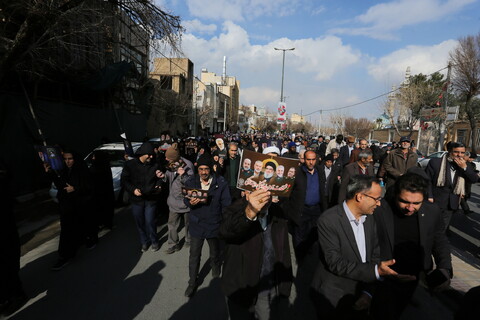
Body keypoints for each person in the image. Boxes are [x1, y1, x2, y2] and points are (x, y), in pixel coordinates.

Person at [311, 175, 410, 319]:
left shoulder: (370, 217)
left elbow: (375, 254)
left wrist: (368, 292)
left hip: (362, 295)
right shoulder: (329, 220)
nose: (379, 204)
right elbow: (335, 263)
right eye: (376, 199)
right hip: (334, 296)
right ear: (359, 197)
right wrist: (376, 271)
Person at [371, 172, 452, 319]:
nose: (410, 208)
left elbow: (439, 239)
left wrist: (445, 268)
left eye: (416, 203)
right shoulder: (378, 209)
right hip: (383, 278)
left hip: (414, 278)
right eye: (404, 201)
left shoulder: (432, 211)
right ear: (396, 195)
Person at [220, 189, 293, 320]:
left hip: (267, 283)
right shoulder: (234, 208)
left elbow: (284, 250)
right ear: (247, 192)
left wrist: (285, 285)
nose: (263, 194)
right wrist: (250, 211)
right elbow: (226, 231)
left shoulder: (277, 212)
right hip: (241, 286)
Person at [184, 154, 231, 297]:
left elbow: (226, 205)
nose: (204, 172)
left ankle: (215, 270)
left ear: (211, 169)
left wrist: (223, 222)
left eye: (206, 169)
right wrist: (189, 203)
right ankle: (192, 282)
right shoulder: (191, 182)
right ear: (198, 168)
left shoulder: (221, 183)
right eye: (201, 169)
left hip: (213, 225)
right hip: (197, 225)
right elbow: (185, 199)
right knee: (194, 255)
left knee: (215, 251)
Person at [45, 149, 94, 270]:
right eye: (65, 159)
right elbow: (59, 184)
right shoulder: (63, 171)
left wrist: (76, 188)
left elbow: (89, 187)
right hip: (67, 205)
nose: (67, 162)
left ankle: (84, 243)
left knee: (78, 227)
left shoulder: (82, 171)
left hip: (80, 204)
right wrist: (50, 172)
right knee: (67, 230)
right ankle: (65, 255)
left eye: (70, 159)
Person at [425, 142, 479, 232]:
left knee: (442, 230)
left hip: (451, 203)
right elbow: (426, 181)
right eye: (456, 152)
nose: (459, 155)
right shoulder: (436, 162)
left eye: (462, 153)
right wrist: (429, 196)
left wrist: (464, 168)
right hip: (435, 201)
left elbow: (474, 179)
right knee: (429, 228)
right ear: (450, 151)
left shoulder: (465, 165)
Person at [284, 150, 324, 262]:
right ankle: (300, 261)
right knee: (300, 238)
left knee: (314, 237)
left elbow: (323, 191)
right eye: (308, 159)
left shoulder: (320, 171)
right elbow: (289, 193)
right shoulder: (297, 172)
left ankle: (312, 261)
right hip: (301, 210)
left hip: (316, 210)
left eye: (313, 159)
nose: (311, 162)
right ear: (304, 160)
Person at [121, 142, 163, 252]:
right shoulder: (130, 165)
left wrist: (159, 184)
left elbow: (160, 177)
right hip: (136, 200)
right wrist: (133, 190)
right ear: (142, 154)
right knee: (139, 222)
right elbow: (124, 181)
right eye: (149, 154)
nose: (151, 156)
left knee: (150, 221)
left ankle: (154, 241)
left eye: (152, 155)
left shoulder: (155, 164)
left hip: (151, 199)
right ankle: (144, 241)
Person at [163, 143, 195, 253]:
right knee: (172, 224)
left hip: (185, 201)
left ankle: (188, 239)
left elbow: (192, 184)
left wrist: (183, 175)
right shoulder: (170, 164)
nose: (166, 158)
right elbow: (168, 175)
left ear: (174, 157)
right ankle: (173, 244)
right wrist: (162, 176)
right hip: (173, 200)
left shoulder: (188, 165)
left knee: (188, 223)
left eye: (168, 157)